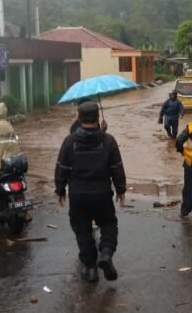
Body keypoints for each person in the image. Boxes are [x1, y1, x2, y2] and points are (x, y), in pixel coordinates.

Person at [55, 102, 126, 282]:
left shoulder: (69, 141)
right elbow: (116, 167)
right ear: (97, 118)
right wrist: (121, 190)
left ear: (79, 118)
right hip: (102, 194)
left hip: (78, 195)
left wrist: (60, 189)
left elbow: (62, 167)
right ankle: (106, 254)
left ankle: (91, 268)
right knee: (109, 224)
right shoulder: (108, 140)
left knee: (82, 230)